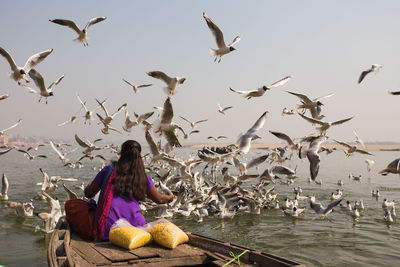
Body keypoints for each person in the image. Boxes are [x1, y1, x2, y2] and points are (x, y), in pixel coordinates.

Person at [84, 140, 174, 241]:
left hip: (108, 227)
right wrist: (170, 197)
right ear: (139, 156)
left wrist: (89, 185)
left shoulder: (108, 171)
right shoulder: (143, 177)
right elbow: (160, 199)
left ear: (121, 154)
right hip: (135, 228)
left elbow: (88, 193)